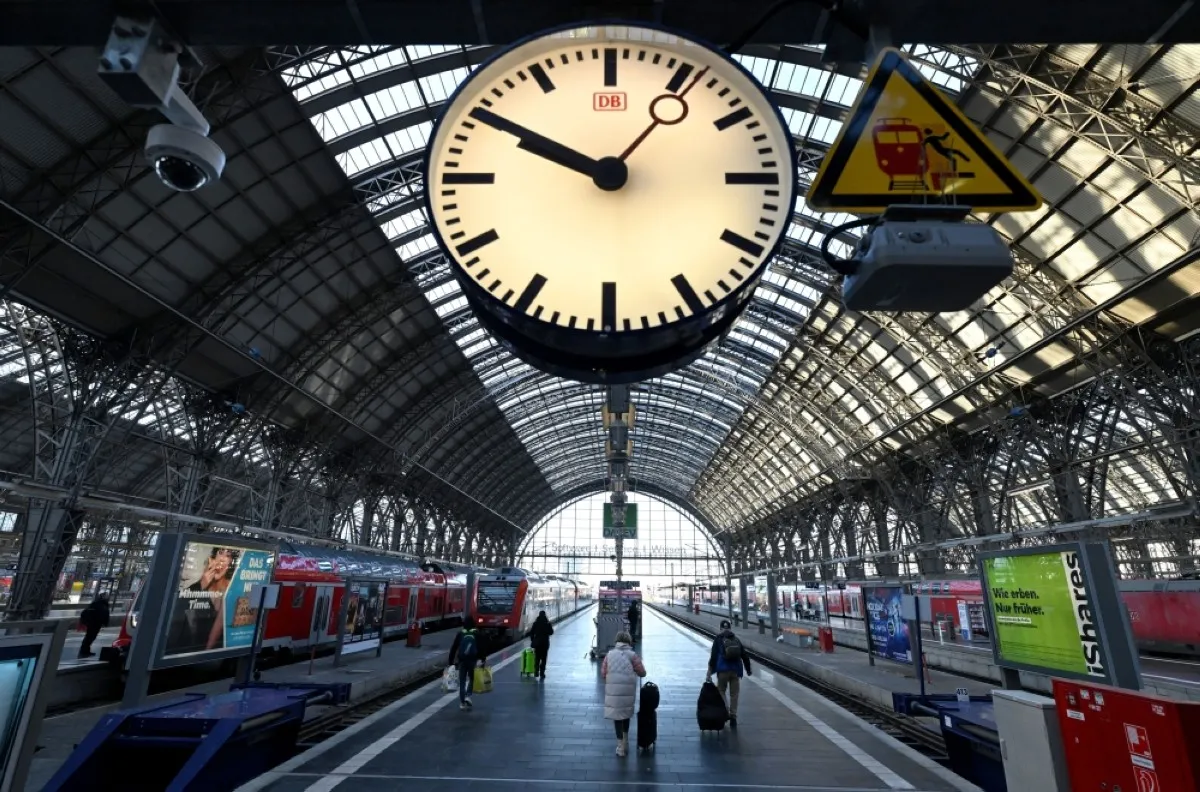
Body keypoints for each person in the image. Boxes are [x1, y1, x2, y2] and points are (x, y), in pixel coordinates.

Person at [601, 631, 646, 757]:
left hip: (613, 692)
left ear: (617, 641)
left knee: (617, 718)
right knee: (625, 715)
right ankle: (626, 742)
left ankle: (620, 747)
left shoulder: (609, 655)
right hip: (627, 692)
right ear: (629, 641)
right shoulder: (633, 655)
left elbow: (603, 673)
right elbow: (642, 672)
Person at [708, 619, 752, 726]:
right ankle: (733, 716)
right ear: (730, 629)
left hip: (722, 671)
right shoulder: (736, 639)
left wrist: (709, 672)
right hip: (735, 671)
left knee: (721, 691)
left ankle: (726, 709)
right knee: (734, 694)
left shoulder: (718, 639)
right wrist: (748, 669)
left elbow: (713, 657)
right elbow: (744, 655)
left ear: (720, 628)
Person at [448, 618, 487, 710]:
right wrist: (483, 659)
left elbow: (453, 648)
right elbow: (482, 648)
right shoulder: (477, 634)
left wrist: (451, 662)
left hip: (462, 660)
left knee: (462, 680)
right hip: (473, 660)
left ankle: (462, 703)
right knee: (472, 678)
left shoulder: (460, 634)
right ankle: (468, 695)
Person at [78, 594, 111, 659]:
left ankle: (85, 650)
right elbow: (103, 614)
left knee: (90, 637)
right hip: (94, 623)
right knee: (90, 637)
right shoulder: (100, 604)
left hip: (95, 623)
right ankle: (84, 651)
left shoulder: (99, 604)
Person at [527, 610, 554, 679]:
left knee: (537, 658)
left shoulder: (535, 623)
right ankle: (542, 673)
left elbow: (531, 633)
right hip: (545, 644)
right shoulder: (547, 623)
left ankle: (536, 672)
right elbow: (551, 632)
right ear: (545, 615)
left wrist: (533, 640)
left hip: (537, 643)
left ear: (539, 615)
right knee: (544, 659)